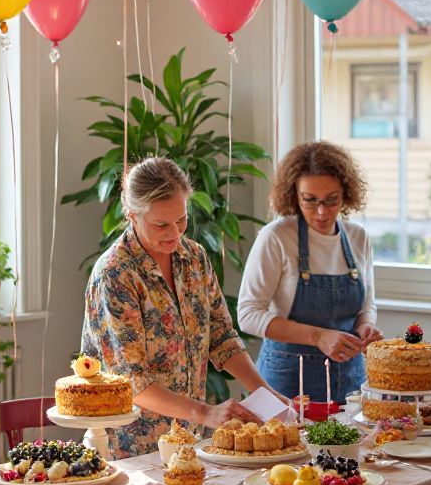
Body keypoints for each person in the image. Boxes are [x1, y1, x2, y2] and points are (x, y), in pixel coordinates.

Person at [80, 156, 290, 458]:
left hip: (188, 439)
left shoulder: (194, 257)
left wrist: (264, 391)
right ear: (132, 215)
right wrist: (205, 413)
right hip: (130, 446)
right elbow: (131, 381)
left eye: (181, 220)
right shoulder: (115, 274)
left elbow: (222, 337)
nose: (174, 233)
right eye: (161, 224)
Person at [238, 141, 384, 405]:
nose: (321, 212)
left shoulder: (357, 237)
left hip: (350, 381)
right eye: (310, 200)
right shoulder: (277, 237)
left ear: (346, 194)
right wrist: (318, 336)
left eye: (332, 200)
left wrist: (366, 326)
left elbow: (367, 304)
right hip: (287, 382)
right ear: (294, 195)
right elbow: (248, 315)